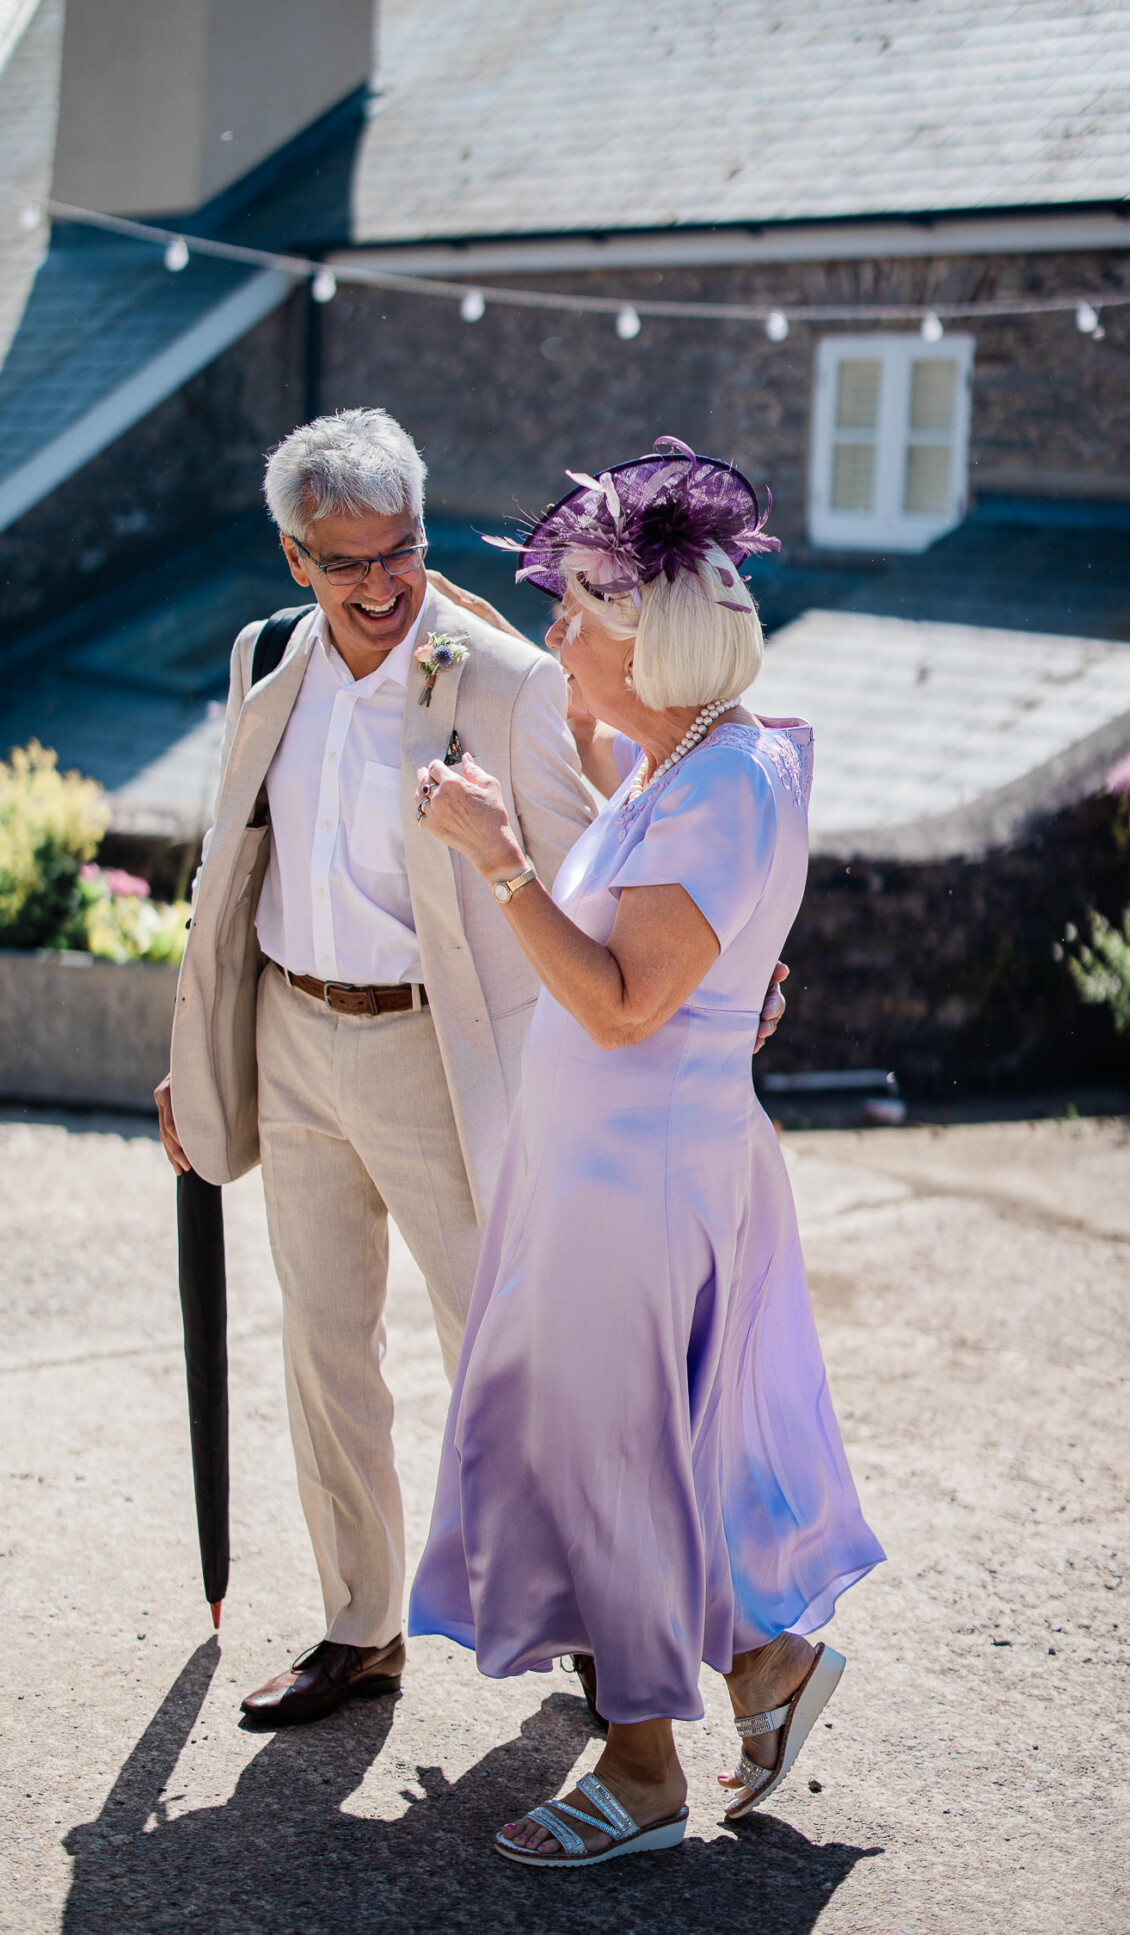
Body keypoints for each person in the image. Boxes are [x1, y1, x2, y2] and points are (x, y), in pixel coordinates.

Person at [155, 410, 789, 1728]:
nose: (381, 586)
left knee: (506, 1363)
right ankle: (357, 1628)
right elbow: (232, 868)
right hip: (289, 1038)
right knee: (322, 1352)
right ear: (293, 560)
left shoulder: (499, 680)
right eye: (347, 564)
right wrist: (198, 1062)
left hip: (445, 1059)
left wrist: (718, 984)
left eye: (403, 552)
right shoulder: (262, 659)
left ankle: (591, 1635)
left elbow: (600, 864)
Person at [409, 438, 885, 1867]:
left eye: (572, 611)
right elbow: (616, 774)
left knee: (611, 1466)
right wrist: (480, 637)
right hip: (607, 1173)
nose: (554, 634)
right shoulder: (674, 765)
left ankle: (636, 1777)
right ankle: (766, 1670)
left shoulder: (724, 785)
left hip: (644, 1182)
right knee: (647, 1455)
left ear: (640, 640)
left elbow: (621, 1004)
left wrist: (495, 856)